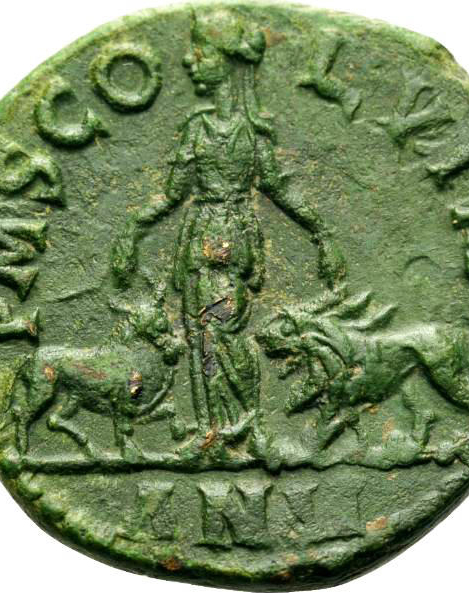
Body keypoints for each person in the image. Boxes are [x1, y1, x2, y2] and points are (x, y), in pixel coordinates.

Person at [112, 9, 345, 455]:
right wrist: (132, 231)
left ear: (226, 61)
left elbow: (278, 189)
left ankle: (245, 427)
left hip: (232, 243)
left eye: (200, 53)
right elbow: (171, 194)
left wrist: (323, 235)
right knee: (201, 337)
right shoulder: (196, 129)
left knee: (221, 332)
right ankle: (212, 433)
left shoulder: (251, 134)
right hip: (199, 246)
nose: (189, 61)